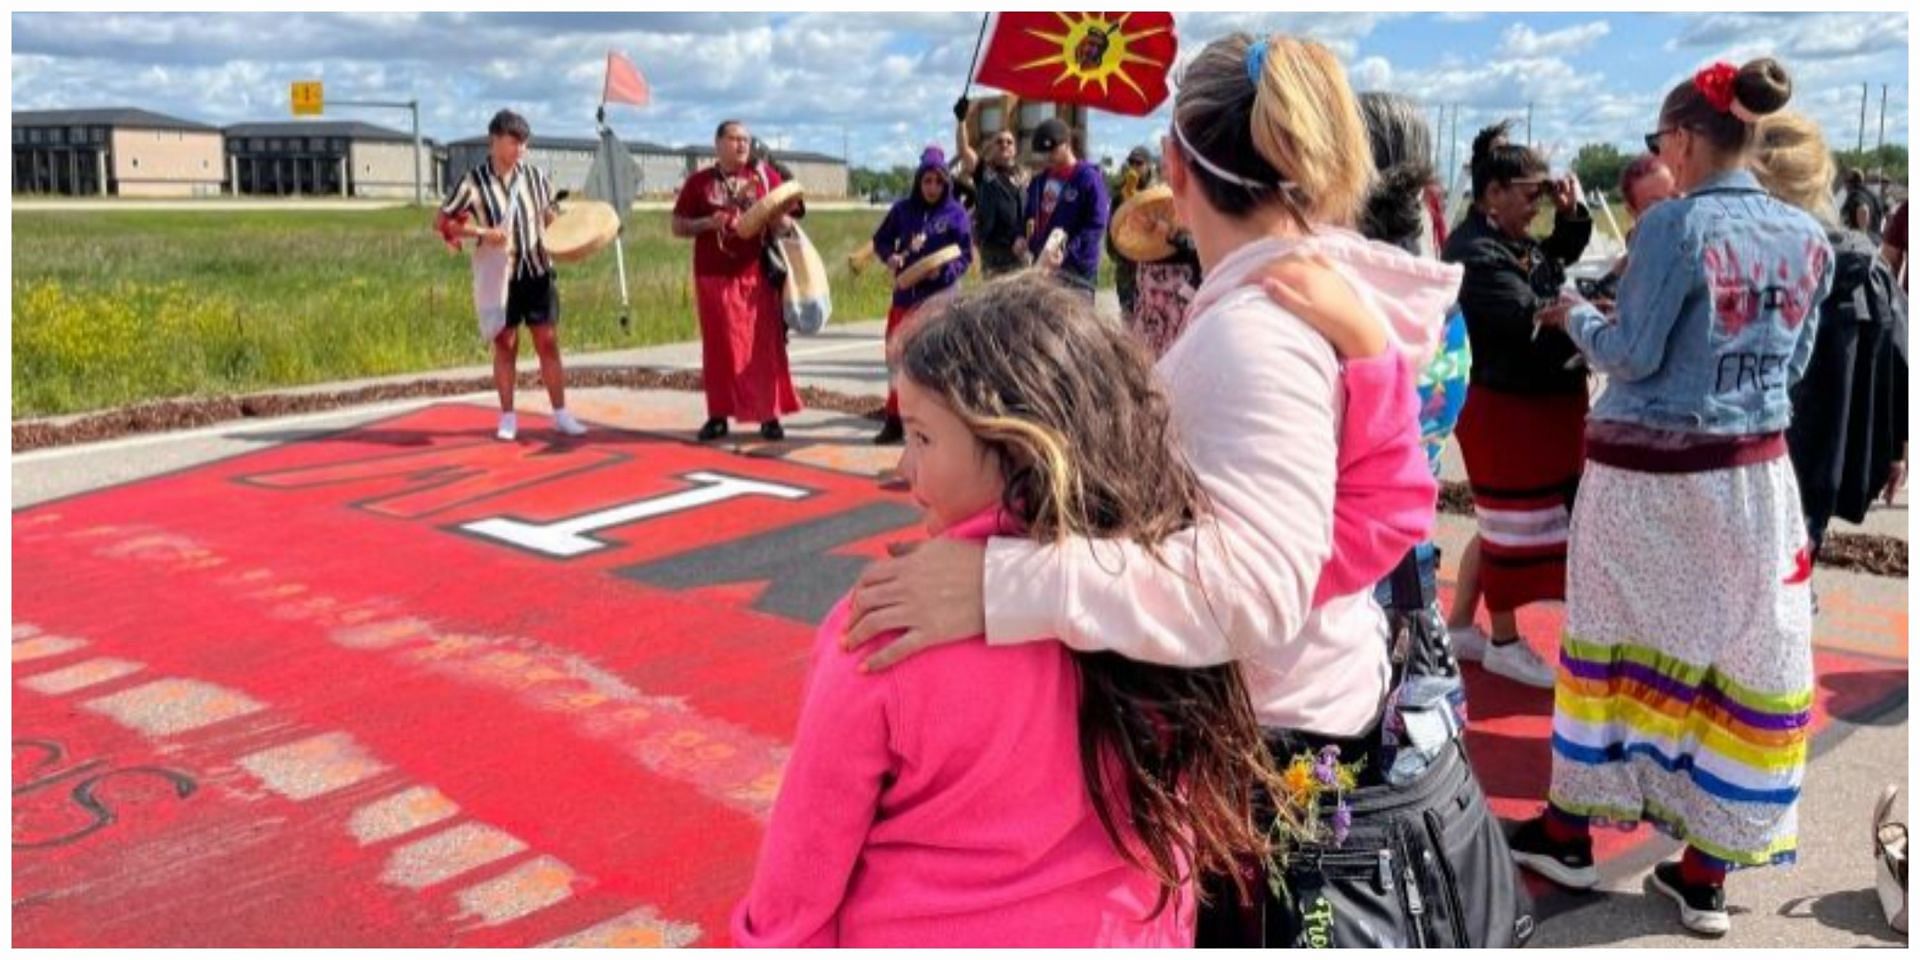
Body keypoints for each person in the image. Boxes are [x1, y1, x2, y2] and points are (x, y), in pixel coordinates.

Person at [842, 33, 1493, 948]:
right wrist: (1380, 364)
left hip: (1255, 755)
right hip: (1308, 720)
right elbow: (1382, 523)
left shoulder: (1252, 338)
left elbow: (1252, 591)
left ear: (1178, 169)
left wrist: (1003, 585)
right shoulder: (1323, 308)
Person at [731, 278, 1284, 947]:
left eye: (923, 438)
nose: (904, 467)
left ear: (1018, 445)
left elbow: (798, 879)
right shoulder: (1167, 607)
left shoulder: (884, 627)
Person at [1518, 58, 1832, 938]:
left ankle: (1570, 830)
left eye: (1662, 142)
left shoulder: (1675, 228)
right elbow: (1795, 369)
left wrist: (1575, 313)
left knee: (1611, 651)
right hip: (1756, 482)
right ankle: (1703, 874)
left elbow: (1632, 352)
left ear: (1687, 139)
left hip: (1649, 484)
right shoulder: (1805, 236)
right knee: (1741, 659)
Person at [1440, 120, 1594, 689]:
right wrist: (1597, 324)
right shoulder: (1475, 253)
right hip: (1506, 406)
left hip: (1534, 406)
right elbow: (1528, 319)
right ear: (1494, 192)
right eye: (1531, 194)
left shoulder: (1504, 239)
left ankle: (1460, 626)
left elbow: (1552, 259)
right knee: (1510, 522)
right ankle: (1503, 642)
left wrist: (1571, 214)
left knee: (1498, 522)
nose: (1538, 205)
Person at [1751, 112, 1909, 564]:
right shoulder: (1864, 265)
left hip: (1737, 460)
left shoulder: (1732, 253)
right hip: (1820, 463)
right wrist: (1896, 449)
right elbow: (1897, 362)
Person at [434, 109, 587, 443]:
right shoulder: (473, 182)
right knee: (506, 346)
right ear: (495, 140)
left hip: (537, 270)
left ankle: (561, 414)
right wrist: (482, 232)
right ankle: (507, 416)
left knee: (548, 341)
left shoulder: (535, 177)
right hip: (500, 277)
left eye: (524, 142)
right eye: (514, 141)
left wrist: (574, 233)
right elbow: (444, 223)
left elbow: (550, 215)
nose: (521, 148)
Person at [672, 119, 803, 442]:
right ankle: (718, 416)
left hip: (755, 274)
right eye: (734, 139)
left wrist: (777, 219)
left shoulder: (763, 177)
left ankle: (768, 415)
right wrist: (707, 222)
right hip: (713, 275)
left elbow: (786, 220)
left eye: (745, 139)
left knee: (763, 347)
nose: (742, 144)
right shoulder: (699, 182)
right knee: (719, 350)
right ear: (718, 144)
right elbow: (677, 225)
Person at [869, 146, 972, 445]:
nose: (932, 187)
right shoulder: (902, 210)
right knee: (895, 358)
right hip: (905, 297)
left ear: (946, 183)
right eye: (927, 181)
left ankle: (936, 424)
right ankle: (894, 418)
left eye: (938, 182)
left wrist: (942, 273)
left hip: (940, 299)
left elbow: (964, 255)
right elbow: (881, 240)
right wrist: (890, 257)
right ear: (918, 181)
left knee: (938, 362)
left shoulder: (956, 213)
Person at [1018, 118, 1108, 296]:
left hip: (1076, 272)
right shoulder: (1039, 182)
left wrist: (1067, 252)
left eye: (1052, 150)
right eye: (1044, 152)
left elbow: (1095, 225)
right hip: (1043, 268)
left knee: (1076, 322)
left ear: (1067, 144)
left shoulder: (1088, 178)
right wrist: (1020, 235)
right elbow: (1028, 215)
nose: (1048, 156)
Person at [954, 101, 1026, 277]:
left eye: (1009, 142)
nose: (1004, 145)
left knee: (1018, 301)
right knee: (995, 301)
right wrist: (961, 120)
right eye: (999, 142)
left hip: (1019, 249)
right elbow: (964, 150)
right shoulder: (984, 171)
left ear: (1015, 149)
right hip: (993, 250)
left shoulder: (1024, 176)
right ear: (992, 147)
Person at [1108, 146, 1157, 320]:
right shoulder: (1120, 192)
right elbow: (1112, 227)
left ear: (1149, 165)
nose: (1134, 167)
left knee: (1151, 319)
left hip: (1152, 267)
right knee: (1128, 318)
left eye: (1139, 163)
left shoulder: (1157, 192)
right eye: (1131, 163)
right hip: (1126, 268)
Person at [1841, 167, 1885, 236]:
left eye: (1844, 181)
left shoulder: (1855, 194)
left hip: (1862, 242)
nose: (1844, 186)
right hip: (1876, 239)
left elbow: (1863, 209)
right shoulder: (1873, 195)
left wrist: (1862, 235)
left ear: (1848, 182)